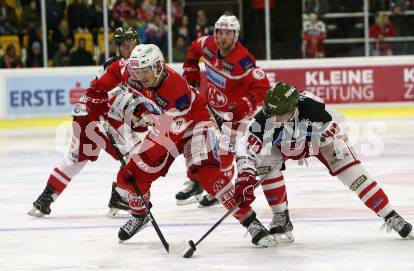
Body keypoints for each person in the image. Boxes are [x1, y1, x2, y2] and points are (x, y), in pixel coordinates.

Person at [86, 43, 276, 247]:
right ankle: (140, 215)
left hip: (194, 125)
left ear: (158, 66)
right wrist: (97, 92)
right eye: (137, 71)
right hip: (165, 123)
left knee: (209, 176)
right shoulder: (132, 71)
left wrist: (135, 164)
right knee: (136, 176)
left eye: (145, 71)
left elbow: (166, 137)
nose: (140, 77)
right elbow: (114, 70)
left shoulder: (176, 91)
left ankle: (251, 222)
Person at [233, 81, 414, 242]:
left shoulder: (316, 112)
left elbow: (337, 128)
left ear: (292, 109)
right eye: (269, 112)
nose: (271, 118)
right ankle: (281, 216)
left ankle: (391, 215)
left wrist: (309, 140)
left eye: (277, 115)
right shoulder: (264, 119)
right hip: (286, 144)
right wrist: (245, 175)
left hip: (320, 139)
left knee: (354, 175)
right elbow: (244, 146)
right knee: (265, 164)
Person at [28, 26, 140, 218]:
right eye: (125, 46)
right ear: (117, 48)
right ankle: (119, 199)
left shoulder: (129, 65)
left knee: (75, 160)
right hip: (95, 117)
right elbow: (105, 96)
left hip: (87, 115)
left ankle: (44, 201)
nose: (130, 49)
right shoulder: (118, 66)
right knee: (136, 151)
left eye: (133, 45)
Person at [180, 14, 270, 207]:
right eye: (219, 32)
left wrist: (245, 104)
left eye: (228, 33)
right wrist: (191, 69)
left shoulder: (244, 60)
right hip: (210, 108)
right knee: (194, 142)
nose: (223, 37)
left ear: (236, 35)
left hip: (233, 114)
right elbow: (194, 48)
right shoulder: (209, 45)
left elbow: (262, 86)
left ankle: (221, 188)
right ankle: (196, 182)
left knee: (224, 152)